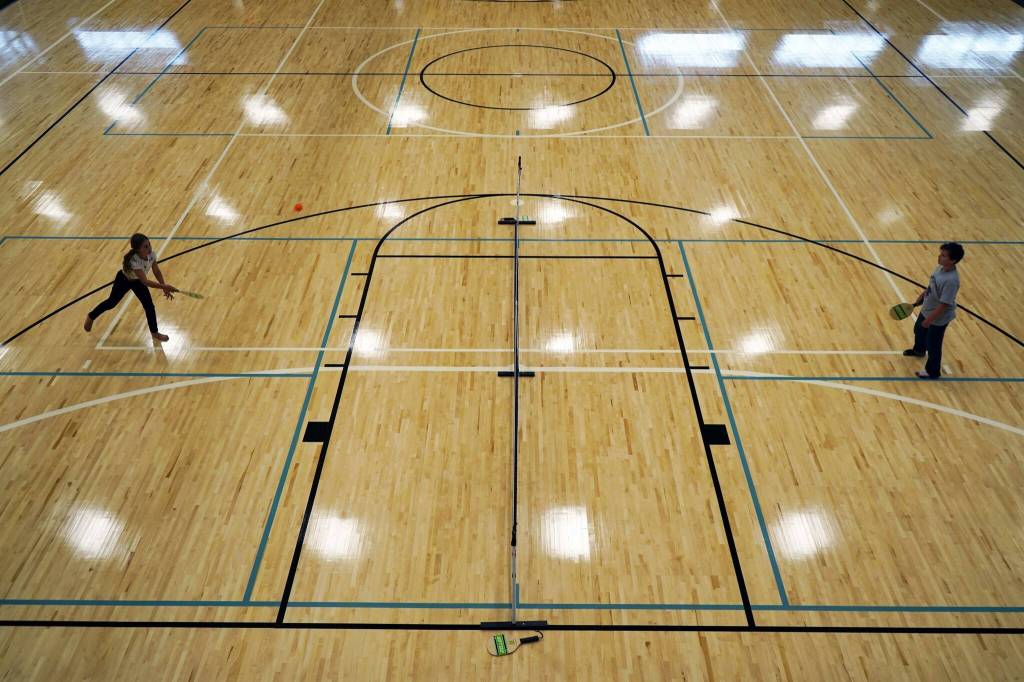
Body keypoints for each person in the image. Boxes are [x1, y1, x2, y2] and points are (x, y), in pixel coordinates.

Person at [84, 233, 177, 342]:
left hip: (138, 282)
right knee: (112, 303)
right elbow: (145, 281)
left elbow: (156, 271)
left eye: (149, 244)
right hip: (124, 280)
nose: (149, 248)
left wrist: (164, 286)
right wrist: (164, 286)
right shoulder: (134, 260)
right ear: (137, 250)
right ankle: (91, 316)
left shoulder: (151, 255)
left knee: (149, 307)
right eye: (145, 246)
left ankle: (154, 333)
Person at [903, 242, 963, 379]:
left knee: (933, 345)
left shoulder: (951, 281)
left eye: (943, 256)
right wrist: (921, 298)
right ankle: (918, 350)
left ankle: (933, 371)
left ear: (953, 260)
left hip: (938, 318)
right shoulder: (940, 269)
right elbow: (931, 286)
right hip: (927, 309)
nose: (939, 257)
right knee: (918, 330)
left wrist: (929, 321)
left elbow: (944, 305)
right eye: (940, 254)